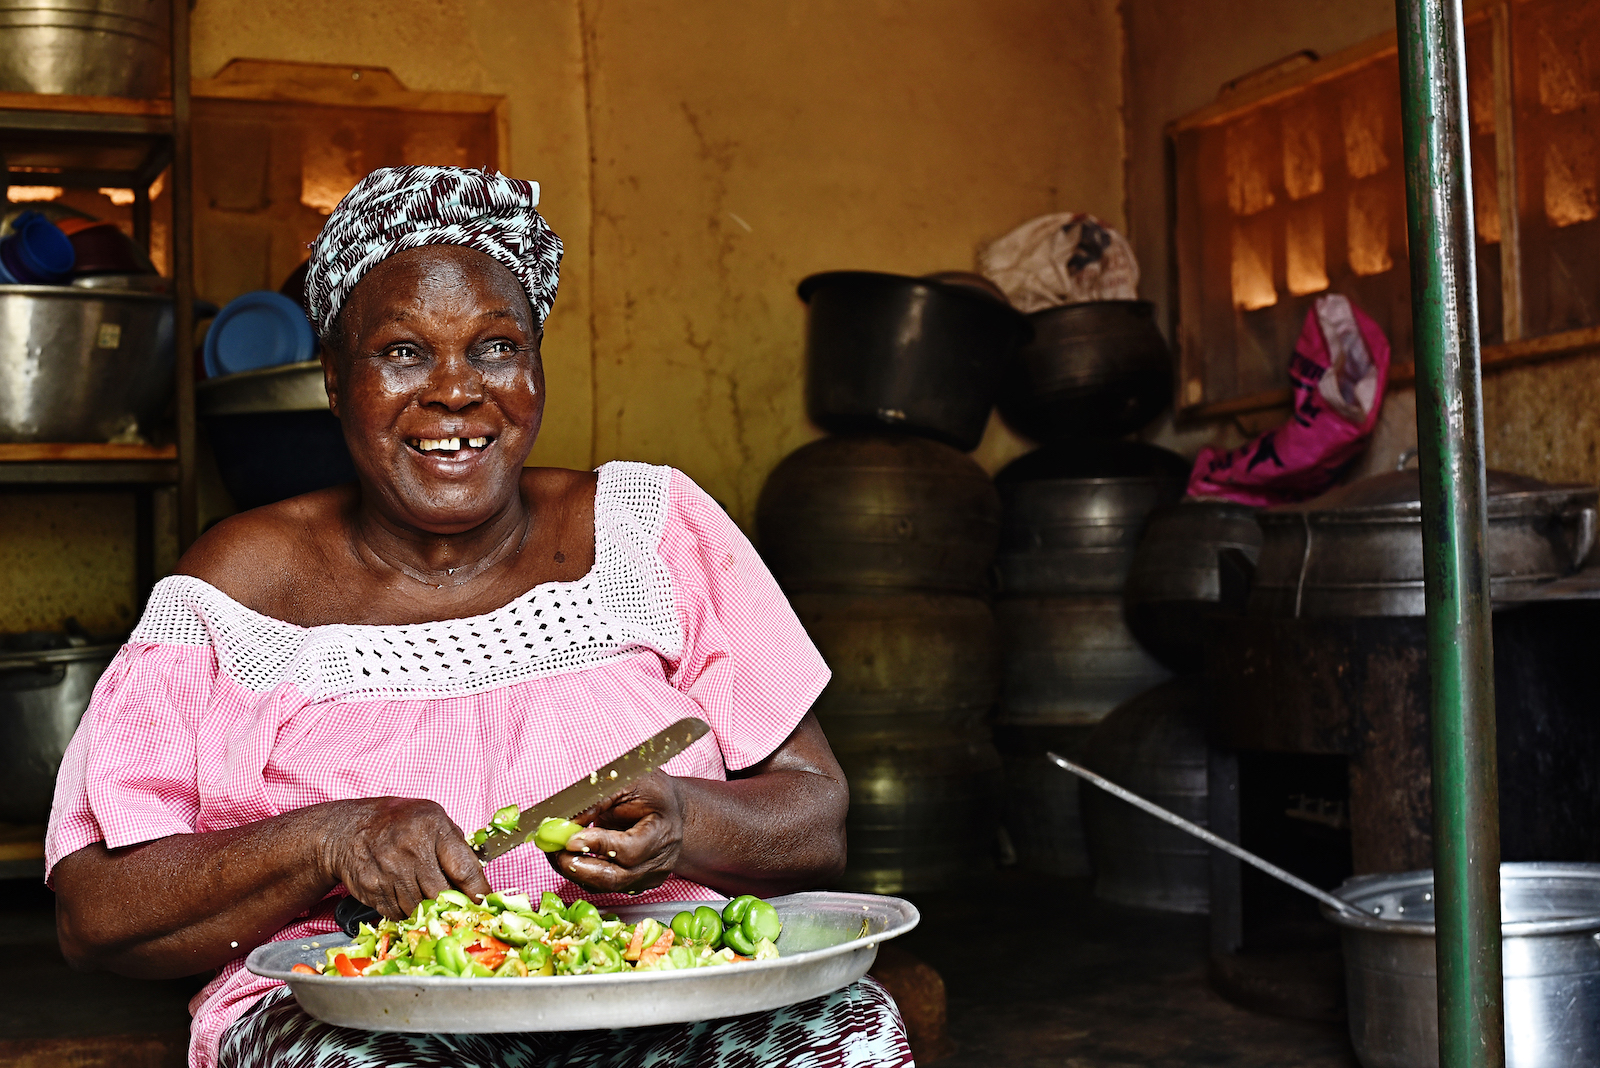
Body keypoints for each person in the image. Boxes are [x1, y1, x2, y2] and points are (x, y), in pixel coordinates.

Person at [45, 166, 911, 1068]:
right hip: (370, 1011)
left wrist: (689, 821)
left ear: (535, 367)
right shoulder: (238, 590)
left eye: (496, 347)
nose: (455, 391)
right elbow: (93, 913)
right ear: (336, 382)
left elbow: (817, 820)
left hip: (662, 980)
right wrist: (327, 842)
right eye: (403, 352)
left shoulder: (651, 530)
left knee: (848, 1034)